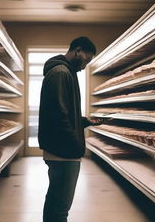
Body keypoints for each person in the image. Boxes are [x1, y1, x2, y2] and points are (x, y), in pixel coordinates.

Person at [38, 36, 103, 222]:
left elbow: (63, 112)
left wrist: (83, 121)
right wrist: (75, 146)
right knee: (60, 207)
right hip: (63, 151)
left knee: (56, 200)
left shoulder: (65, 72)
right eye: (87, 60)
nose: (85, 66)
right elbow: (59, 116)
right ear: (78, 50)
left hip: (60, 148)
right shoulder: (60, 73)